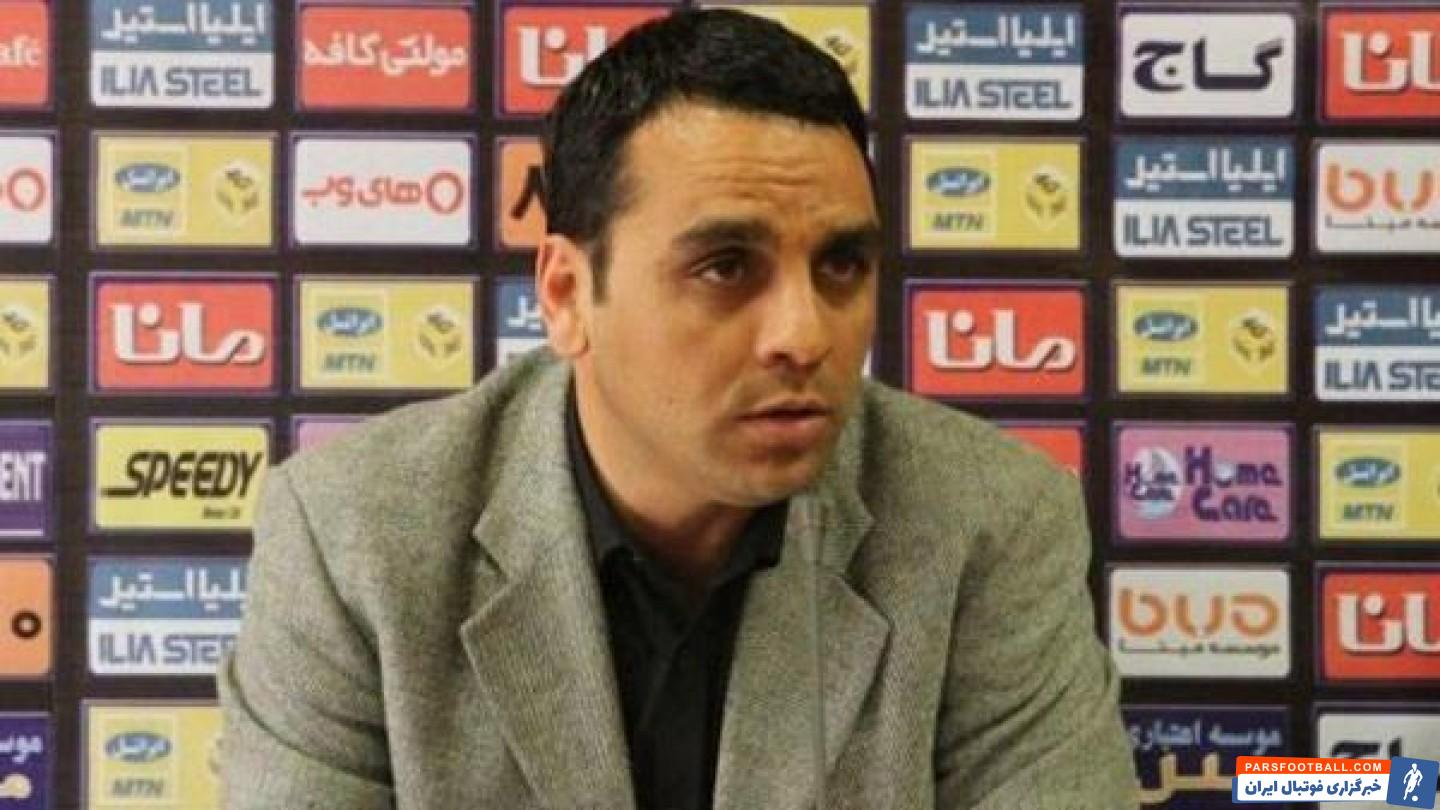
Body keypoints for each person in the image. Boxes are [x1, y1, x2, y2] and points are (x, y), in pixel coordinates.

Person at [216, 9, 1137, 809]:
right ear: (567, 295)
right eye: (725, 267)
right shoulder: (354, 536)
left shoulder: (989, 522)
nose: (803, 335)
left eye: (841, 265)